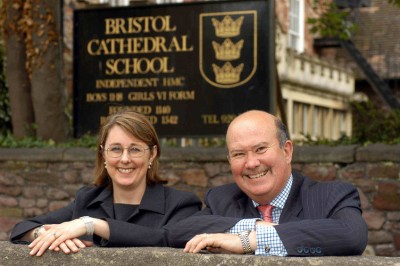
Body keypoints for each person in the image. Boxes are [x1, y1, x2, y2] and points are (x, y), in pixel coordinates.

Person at [169, 110, 368, 256]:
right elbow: (178, 231)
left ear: (287, 151)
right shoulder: (222, 199)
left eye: (261, 149)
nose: (252, 163)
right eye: (239, 154)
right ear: (229, 160)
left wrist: (251, 240)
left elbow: (352, 235)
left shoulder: (330, 196)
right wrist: (252, 225)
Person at [10, 110, 202, 256]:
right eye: (116, 149)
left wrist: (91, 225)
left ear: (152, 154)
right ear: (103, 155)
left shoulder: (181, 204)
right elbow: (21, 229)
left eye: (135, 149)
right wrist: (48, 234)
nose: (125, 159)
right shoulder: (87, 200)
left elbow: (165, 239)